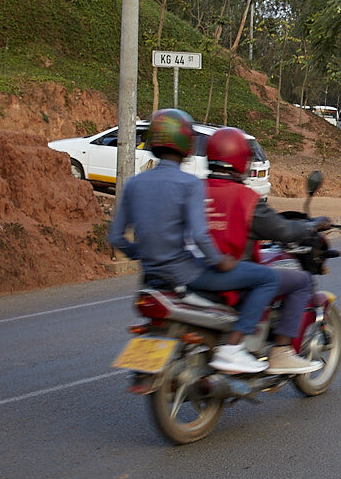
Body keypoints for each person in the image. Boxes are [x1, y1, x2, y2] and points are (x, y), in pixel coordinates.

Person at [108, 109, 277, 374]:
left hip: (151, 279)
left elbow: (115, 236)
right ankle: (233, 349)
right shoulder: (189, 184)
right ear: (186, 144)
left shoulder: (134, 184)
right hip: (187, 276)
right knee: (267, 278)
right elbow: (199, 236)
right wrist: (220, 262)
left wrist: (141, 253)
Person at [204, 127, 330, 375]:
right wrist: (312, 225)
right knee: (300, 281)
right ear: (242, 160)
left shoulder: (193, 190)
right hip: (229, 277)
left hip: (196, 273)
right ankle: (281, 352)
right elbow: (283, 230)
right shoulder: (244, 198)